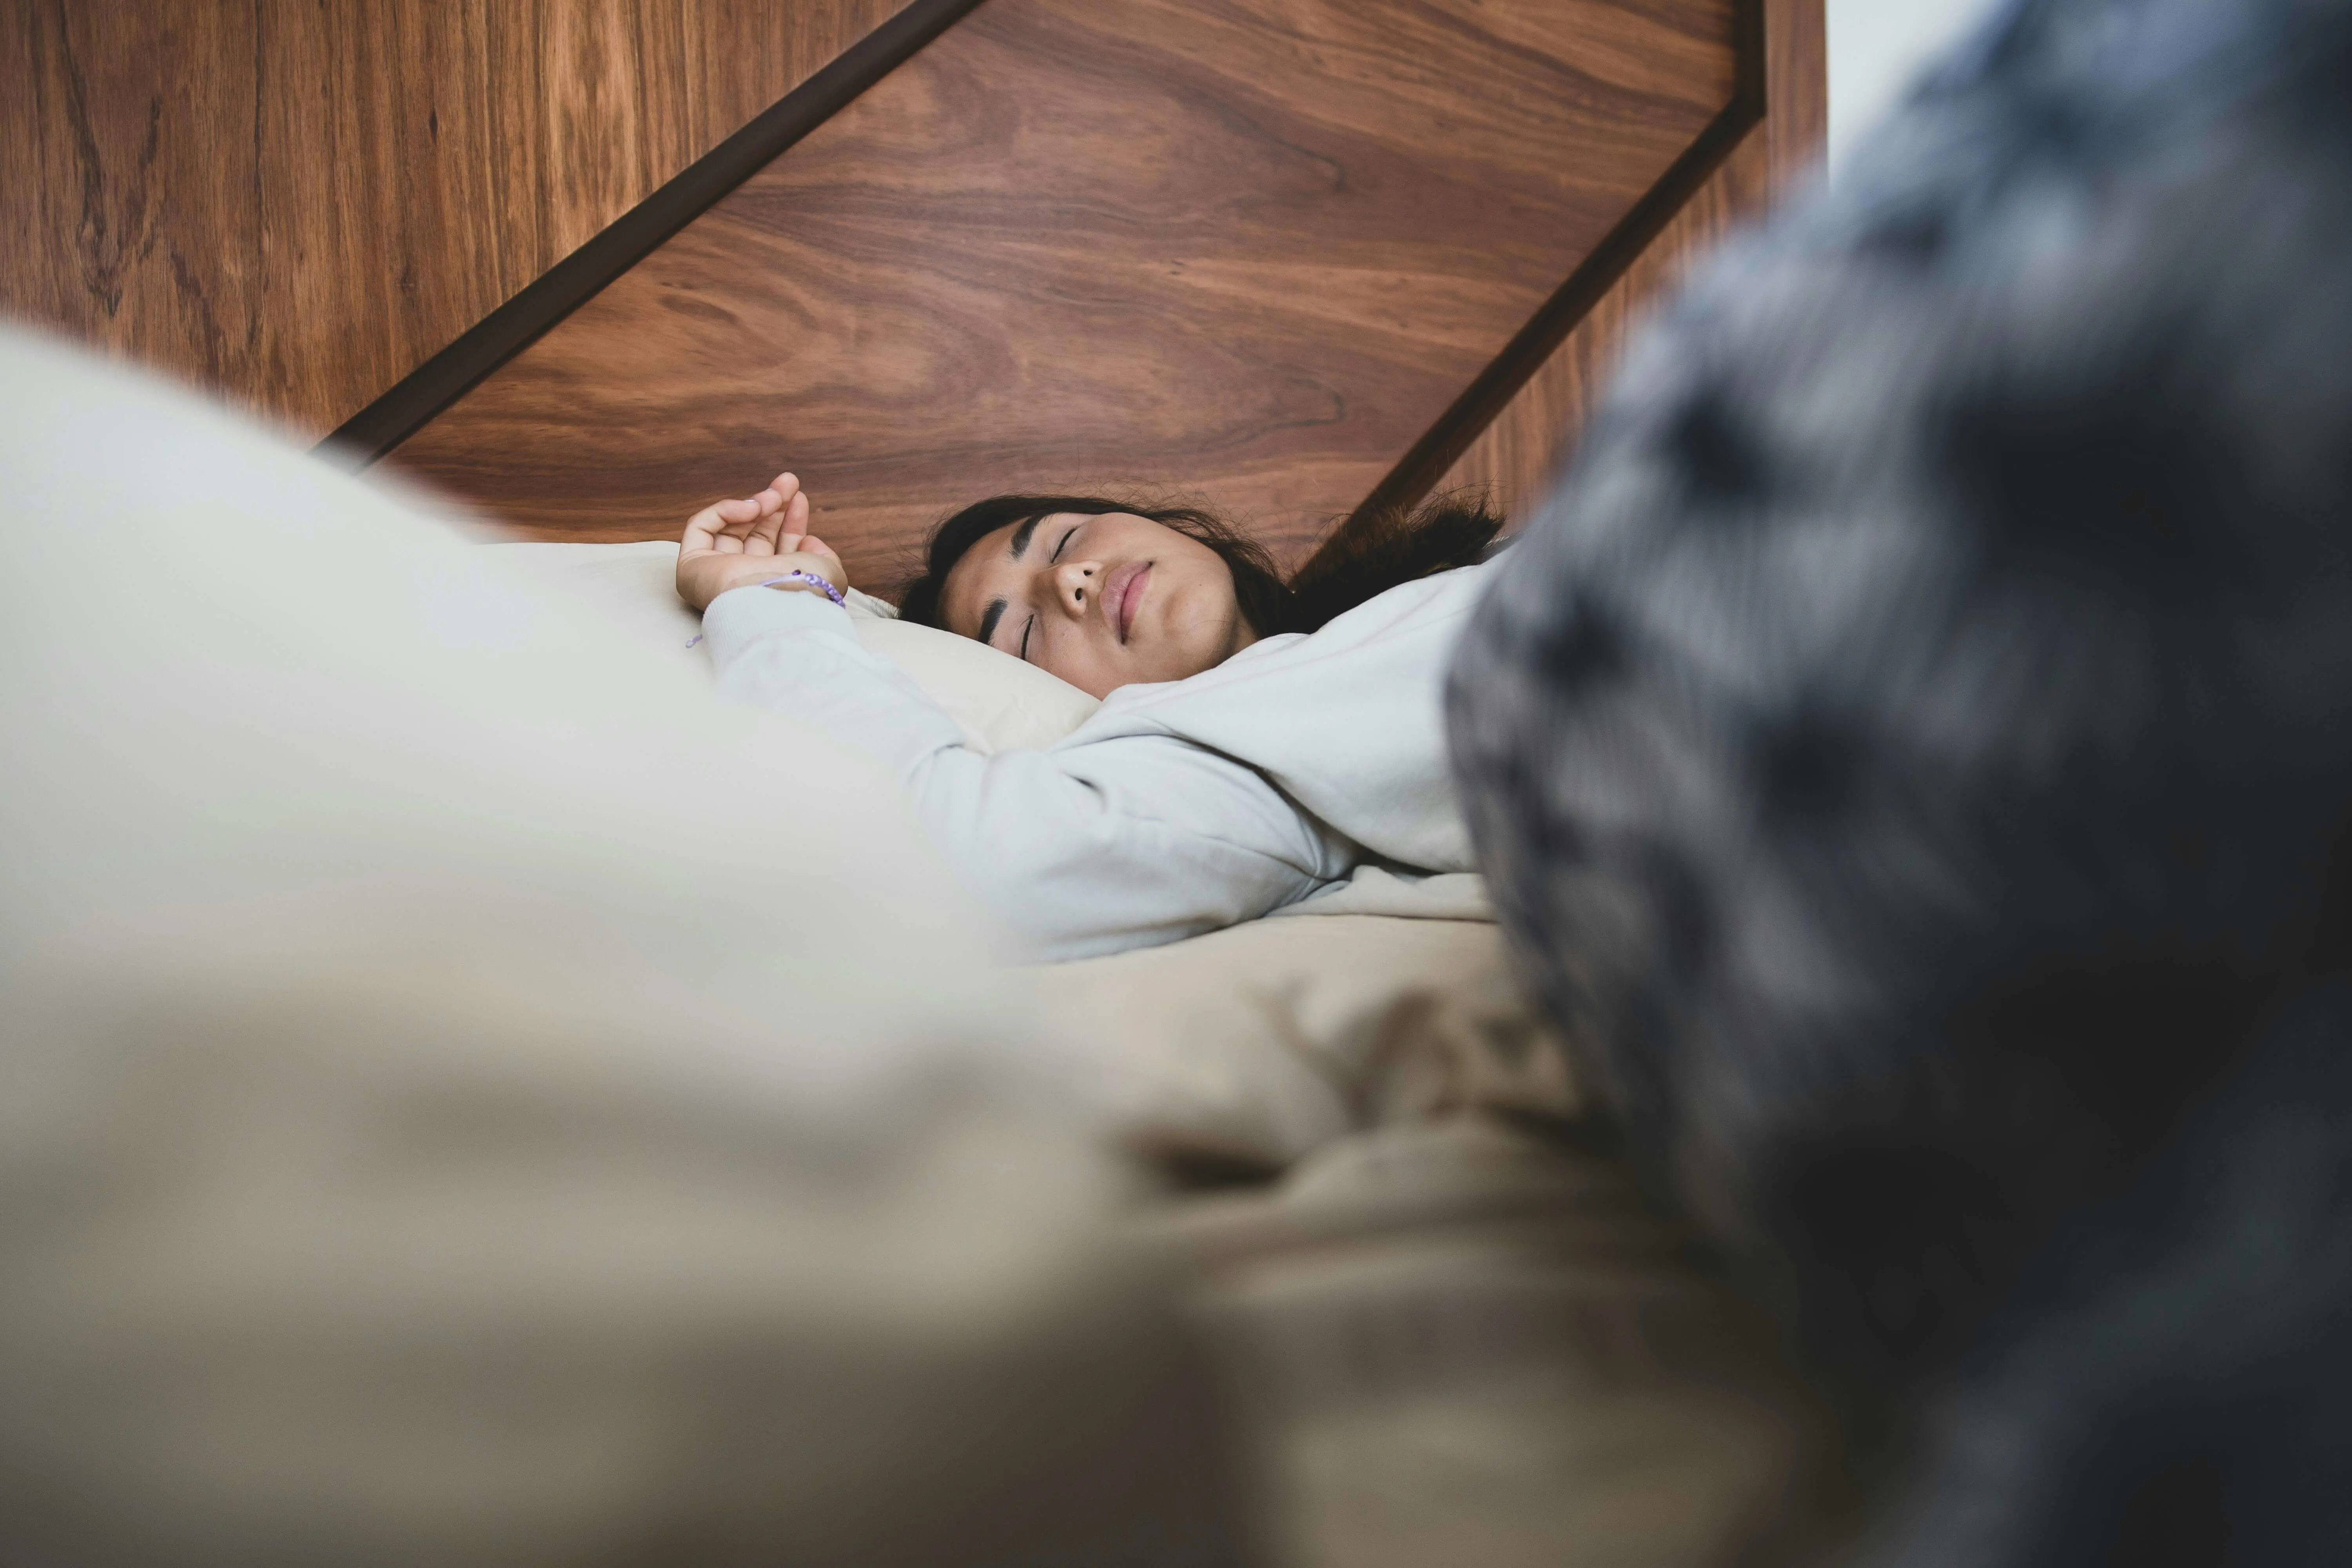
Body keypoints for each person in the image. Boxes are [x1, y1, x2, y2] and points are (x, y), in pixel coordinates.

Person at [676, 472, 1503, 959]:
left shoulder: (1410, 607)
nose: (1071, 579)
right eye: (1026, 629)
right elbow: (949, 859)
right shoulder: (1235, 765)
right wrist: (777, 602)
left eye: (1063, 536)